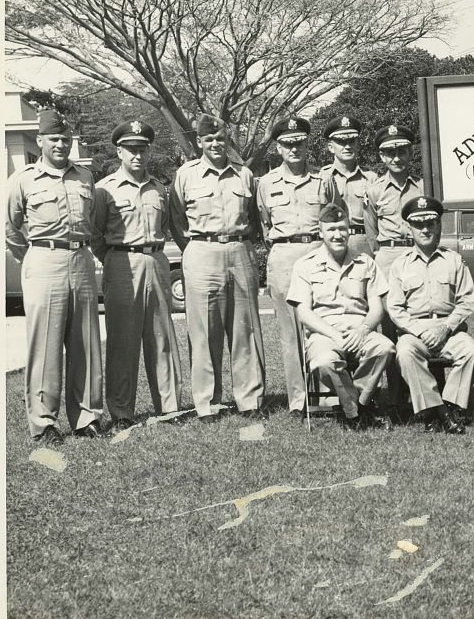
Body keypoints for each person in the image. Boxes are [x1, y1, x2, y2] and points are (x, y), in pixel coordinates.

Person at [5, 108, 105, 444]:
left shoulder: (85, 177)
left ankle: (86, 418)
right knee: (45, 345)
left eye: (66, 139)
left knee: (85, 342)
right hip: (44, 260)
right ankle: (44, 422)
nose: (61, 144)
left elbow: (94, 222)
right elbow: (9, 228)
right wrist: (34, 255)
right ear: (40, 141)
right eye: (54, 139)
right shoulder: (23, 179)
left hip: (81, 258)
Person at [169, 113, 266, 421]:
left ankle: (249, 399)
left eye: (220, 139)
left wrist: (236, 244)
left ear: (228, 141)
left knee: (244, 329)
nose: (215, 144)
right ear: (199, 142)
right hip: (202, 251)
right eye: (208, 139)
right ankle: (207, 403)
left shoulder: (244, 174)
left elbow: (252, 218)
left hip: (239, 250)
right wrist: (198, 250)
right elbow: (176, 220)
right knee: (204, 331)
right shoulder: (186, 175)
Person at [91, 119, 182, 429]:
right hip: (121, 264)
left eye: (142, 149)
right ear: (119, 151)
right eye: (131, 149)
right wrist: (116, 259)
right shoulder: (104, 190)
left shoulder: (159, 188)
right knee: (122, 341)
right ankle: (121, 412)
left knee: (162, 339)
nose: (137, 156)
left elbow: (167, 226)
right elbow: (96, 235)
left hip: (156, 260)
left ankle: (168, 408)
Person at [286, 203, 394, 429]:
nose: (338, 234)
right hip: (324, 334)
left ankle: (357, 406)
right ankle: (357, 412)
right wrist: (334, 334)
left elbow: (377, 307)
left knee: (385, 348)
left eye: (342, 228)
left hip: (359, 331)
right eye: (331, 229)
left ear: (349, 230)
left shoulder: (365, 263)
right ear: (321, 232)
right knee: (324, 362)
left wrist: (363, 330)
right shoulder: (306, 265)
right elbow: (303, 311)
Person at [386, 196, 474, 434]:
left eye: (431, 223)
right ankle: (436, 411)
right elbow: (396, 309)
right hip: (414, 331)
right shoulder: (400, 265)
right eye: (419, 225)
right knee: (406, 353)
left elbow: (467, 300)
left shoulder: (454, 260)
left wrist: (445, 328)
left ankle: (448, 405)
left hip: (449, 329)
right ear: (410, 228)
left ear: (439, 225)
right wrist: (421, 331)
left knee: (473, 354)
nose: (425, 229)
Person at [256, 115, 325, 421]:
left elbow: (335, 216)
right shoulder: (266, 183)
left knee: (321, 326)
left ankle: (325, 395)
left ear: (307, 144)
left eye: (299, 143)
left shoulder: (324, 180)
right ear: (278, 148)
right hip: (283, 256)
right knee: (290, 333)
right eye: (287, 144)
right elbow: (262, 223)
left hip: (317, 254)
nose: (294, 149)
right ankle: (299, 400)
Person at [365, 124, 423, 276]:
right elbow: (370, 229)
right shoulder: (374, 191)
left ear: (410, 153)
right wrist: (379, 254)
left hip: (417, 251)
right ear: (382, 156)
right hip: (387, 256)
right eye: (390, 153)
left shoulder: (423, 187)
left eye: (402, 152)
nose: (396, 159)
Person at [317, 115, 376, 257]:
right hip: (332, 241)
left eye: (352, 141)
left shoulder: (371, 178)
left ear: (358, 144)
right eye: (341, 142)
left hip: (363, 242)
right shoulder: (322, 177)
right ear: (331, 147)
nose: (347, 146)